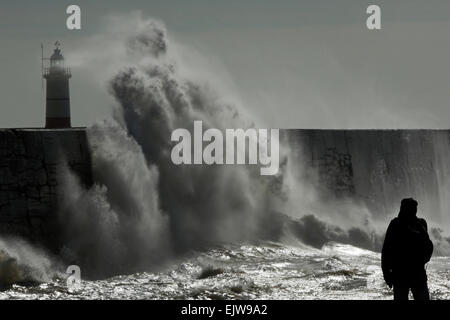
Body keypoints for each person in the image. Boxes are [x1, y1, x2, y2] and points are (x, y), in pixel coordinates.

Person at [381, 198, 433, 300]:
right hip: (404, 274)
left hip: (410, 273)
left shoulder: (420, 224)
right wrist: (386, 274)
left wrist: (386, 274)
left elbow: (386, 251)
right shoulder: (396, 224)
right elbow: (386, 250)